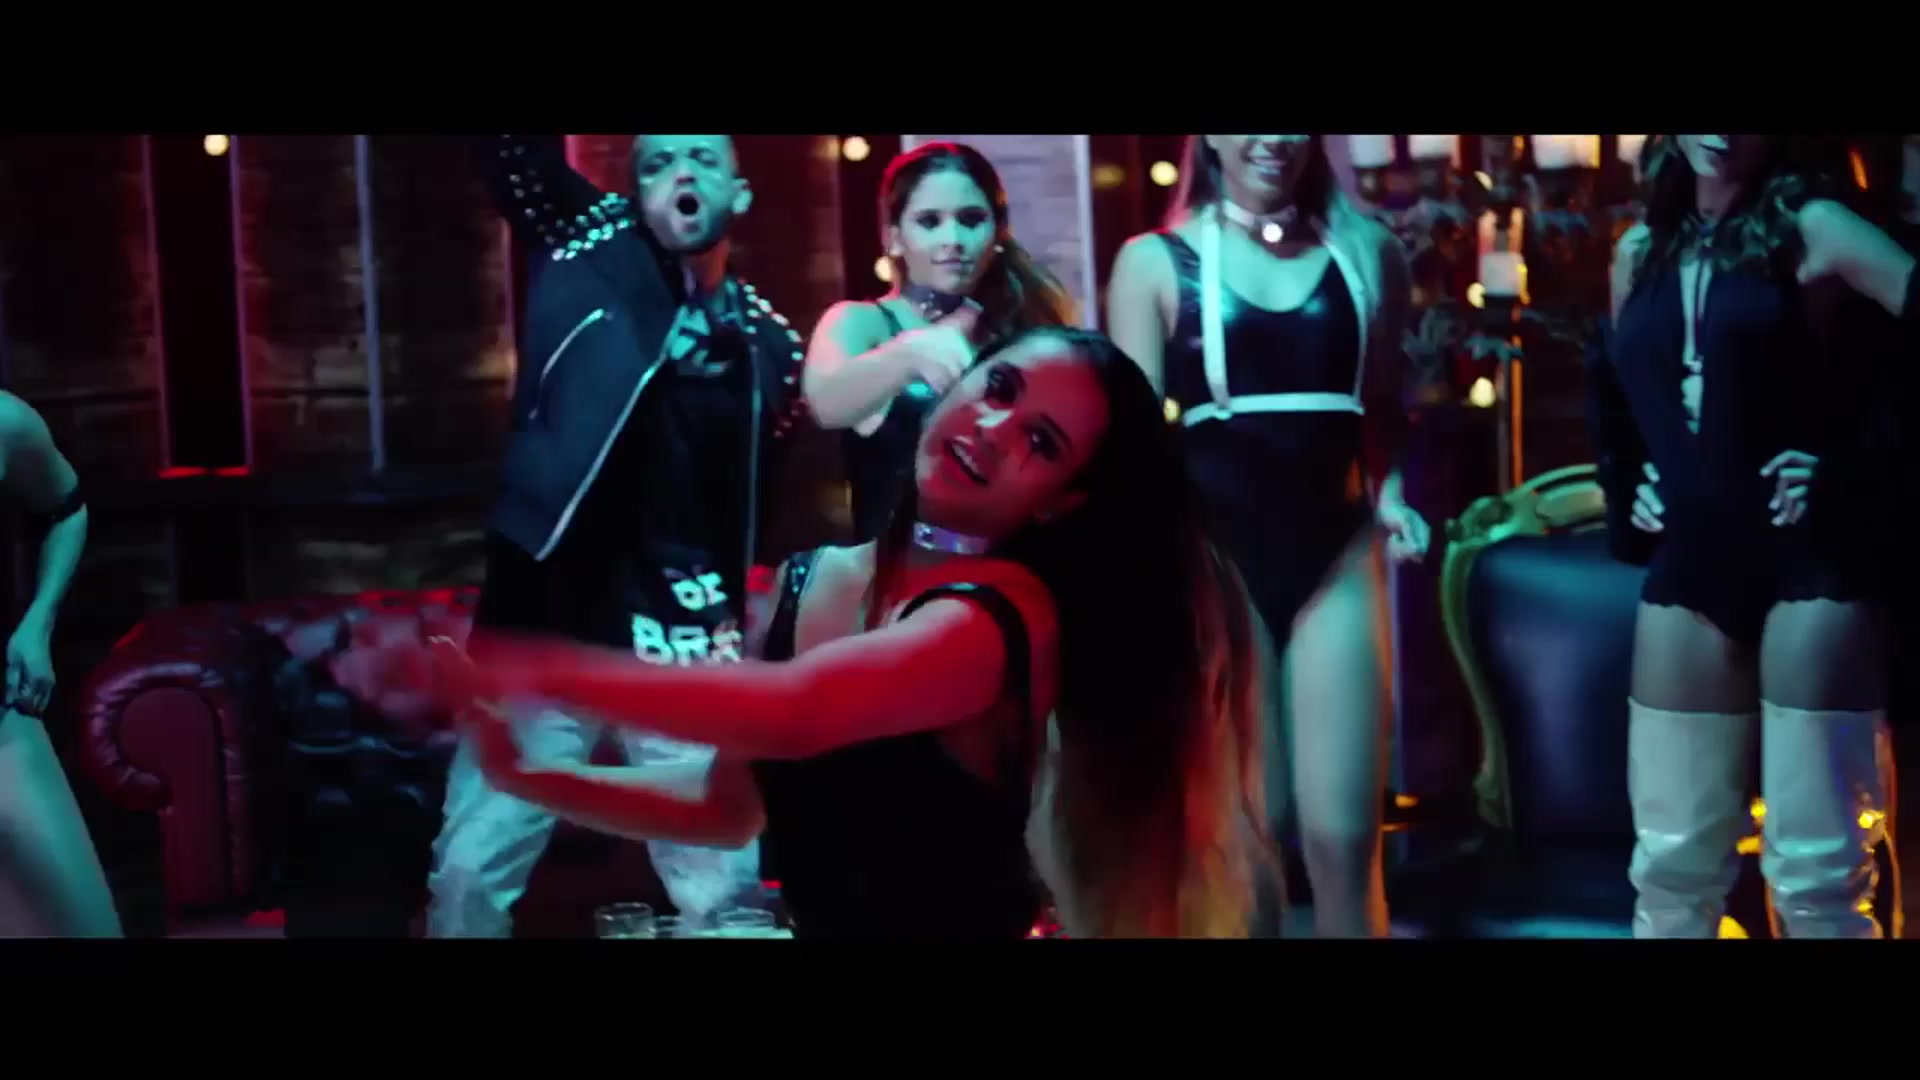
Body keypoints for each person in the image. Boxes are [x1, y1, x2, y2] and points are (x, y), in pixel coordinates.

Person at [396, 326, 1279, 939]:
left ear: (1060, 501)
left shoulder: (1002, 614)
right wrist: (531, 776)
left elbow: (796, 712)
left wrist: (531, 666)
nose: (993, 429)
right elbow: (727, 805)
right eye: (999, 388)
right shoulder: (808, 580)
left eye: (1041, 442)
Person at [424, 134, 811, 938]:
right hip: (546, 625)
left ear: (739, 192)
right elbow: (509, 151)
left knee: (725, 891)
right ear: (635, 194)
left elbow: (755, 506)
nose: (681, 174)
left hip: (678, 641)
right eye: (657, 162)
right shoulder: (588, 241)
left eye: (702, 158)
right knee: (468, 873)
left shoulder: (771, 347)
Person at [1104, 134, 1427, 938]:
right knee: (1247, 845)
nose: (1272, 140)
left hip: (1337, 558)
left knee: (1344, 841)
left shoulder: (1370, 252)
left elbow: (1384, 407)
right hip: (1219, 564)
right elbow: (1131, 449)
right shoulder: (1153, 263)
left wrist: (1392, 493)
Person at [1589, 134, 1906, 938]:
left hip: (1812, 561)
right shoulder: (1638, 251)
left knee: (1818, 883)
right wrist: (1632, 481)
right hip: (1693, 564)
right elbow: (1622, 391)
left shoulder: (1817, 225)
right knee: (1671, 877)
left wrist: (1855, 471)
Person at [801, 142, 1078, 541]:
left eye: (971, 219)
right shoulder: (862, 321)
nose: (953, 238)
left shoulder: (1026, 329)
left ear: (999, 232)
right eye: (929, 222)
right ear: (893, 237)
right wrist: (909, 355)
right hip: (897, 571)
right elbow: (825, 402)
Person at [0, 390, 120, 937]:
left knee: (85, 926)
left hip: (2, 721)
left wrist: (37, 624)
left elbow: (66, 510)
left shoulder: (6, 420)